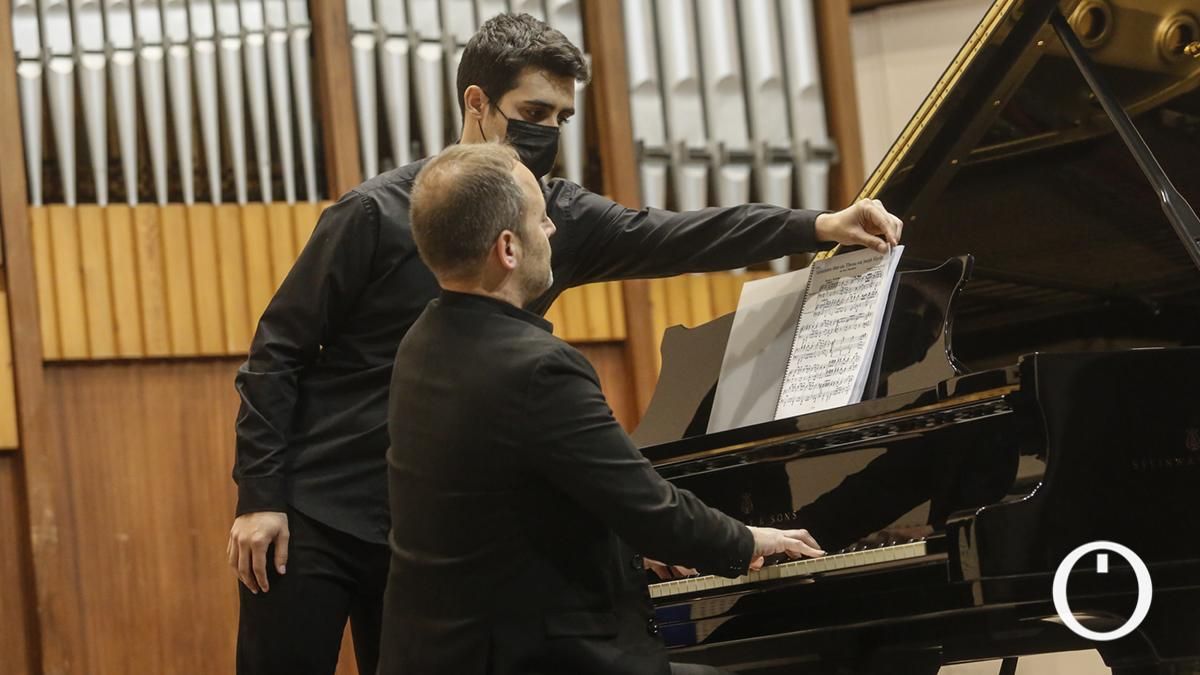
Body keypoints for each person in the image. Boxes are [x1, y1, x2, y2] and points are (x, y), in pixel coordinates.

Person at [227, 12, 902, 675]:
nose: (549, 131)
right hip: (317, 507)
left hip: (427, 530)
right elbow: (277, 351)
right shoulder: (377, 213)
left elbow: (680, 232)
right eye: (535, 110)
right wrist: (260, 494)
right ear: (478, 104)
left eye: (561, 119)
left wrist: (816, 224)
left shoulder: (555, 216)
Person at [381, 139, 825, 675]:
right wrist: (750, 538)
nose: (552, 232)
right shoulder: (537, 367)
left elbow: (515, 501)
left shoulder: (421, 342)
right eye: (542, 221)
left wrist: (626, 547)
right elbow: (649, 507)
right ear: (507, 249)